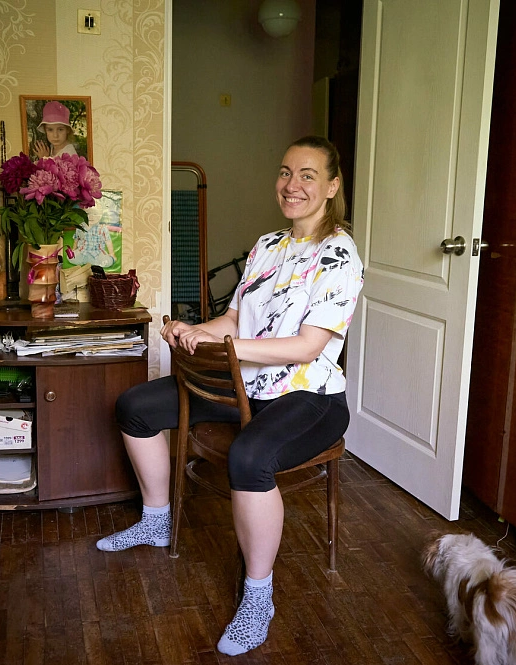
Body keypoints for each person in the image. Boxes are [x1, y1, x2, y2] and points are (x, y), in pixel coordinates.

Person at [95, 135, 364, 656]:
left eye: (308, 175)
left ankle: (258, 596)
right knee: (135, 408)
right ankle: (155, 521)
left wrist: (230, 348)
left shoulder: (339, 254)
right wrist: (196, 332)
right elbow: (235, 319)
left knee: (249, 457)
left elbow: (308, 346)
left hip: (310, 397)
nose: (292, 185)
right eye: (285, 172)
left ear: (332, 186)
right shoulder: (267, 246)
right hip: (247, 385)